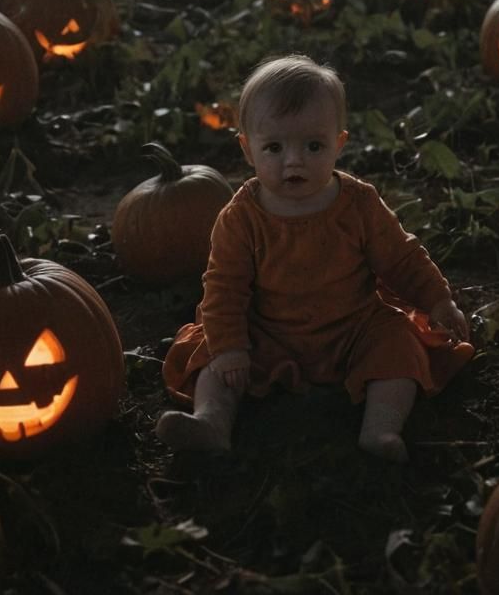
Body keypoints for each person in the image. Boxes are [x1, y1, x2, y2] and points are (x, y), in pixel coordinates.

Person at [156, 54, 474, 462]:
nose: (294, 160)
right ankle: (212, 422)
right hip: (269, 332)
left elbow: (401, 257)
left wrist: (437, 298)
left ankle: (381, 429)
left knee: (399, 344)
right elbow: (223, 289)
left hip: (353, 328)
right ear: (247, 150)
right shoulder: (241, 218)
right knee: (211, 352)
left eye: (313, 145)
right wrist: (231, 347)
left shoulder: (358, 204)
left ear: (338, 144)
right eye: (274, 147)